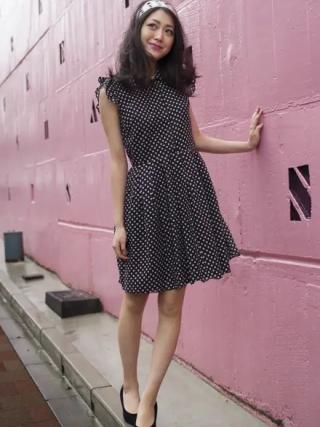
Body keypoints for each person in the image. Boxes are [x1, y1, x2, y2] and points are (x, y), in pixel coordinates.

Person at [95, 1, 263, 426]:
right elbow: (116, 160)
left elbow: (197, 139)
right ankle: (129, 385)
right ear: (137, 31)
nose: (160, 36)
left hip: (187, 195)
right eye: (153, 26)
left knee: (171, 303)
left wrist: (245, 145)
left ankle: (148, 400)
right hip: (144, 198)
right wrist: (118, 223)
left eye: (169, 31)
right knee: (135, 297)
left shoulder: (175, 88)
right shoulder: (112, 92)